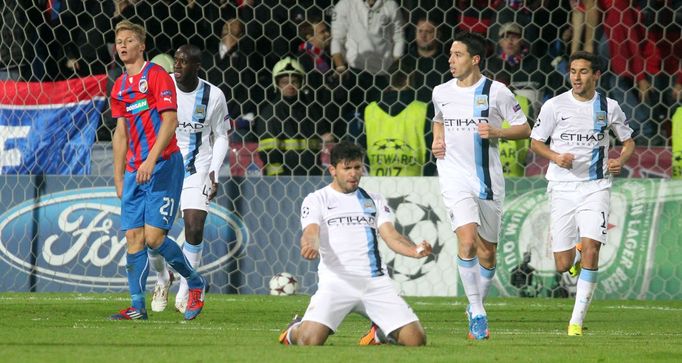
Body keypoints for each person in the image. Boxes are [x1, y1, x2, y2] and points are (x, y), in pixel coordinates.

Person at [278, 141, 432, 346]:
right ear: (333, 170)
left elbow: (391, 236)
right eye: (347, 168)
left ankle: (380, 333)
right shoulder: (317, 199)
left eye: (357, 167)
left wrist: (414, 251)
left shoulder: (374, 200)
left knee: (416, 340)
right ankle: (293, 330)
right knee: (309, 341)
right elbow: (311, 231)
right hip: (336, 283)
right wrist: (311, 244)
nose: (353, 173)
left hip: (375, 283)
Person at [431, 31, 531, 340]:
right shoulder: (440, 91)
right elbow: (439, 118)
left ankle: (477, 303)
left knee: (488, 253)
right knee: (468, 241)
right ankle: (477, 311)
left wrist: (498, 133)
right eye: (450, 54)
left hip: (488, 179)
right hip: (453, 175)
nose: (451, 60)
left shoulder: (497, 91)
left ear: (474, 59)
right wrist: (437, 137)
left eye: (457, 55)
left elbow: (525, 128)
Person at [529, 51, 634, 336]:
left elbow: (628, 142)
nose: (576, 77)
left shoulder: (609, 107)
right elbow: (535, 142)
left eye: (583, 71)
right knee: (563, 264)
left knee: (592, 248)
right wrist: (554, 156)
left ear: (596, 75)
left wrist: (619, 161)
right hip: (562, 188)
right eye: (573, 71)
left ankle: (575, 321)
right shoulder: (554, 105)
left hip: (595, 187)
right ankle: (574, 254)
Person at [109, 20, 206, 321]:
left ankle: (195, 281)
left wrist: (151, 161)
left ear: (141, 45)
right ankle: (137, 307)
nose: (122, 45)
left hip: (163, 165)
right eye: (119, 41)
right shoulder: (120, 87)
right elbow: (121, 133)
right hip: (135, 171)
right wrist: (118, 177)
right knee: (134, 239)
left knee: (153, 238)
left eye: (128, 40)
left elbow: (170, 121)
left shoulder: (157, 76)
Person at [148, 44, 230, 314]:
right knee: (153, 236)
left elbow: (221, 136)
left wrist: (214, 170)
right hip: (164, 167)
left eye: (185, 62)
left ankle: (186, 288)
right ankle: (162, 279)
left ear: (198, 66)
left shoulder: (213, 95)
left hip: (197, 168)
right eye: (177, 61)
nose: (178, 65)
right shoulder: (162, 87)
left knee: (195, 224)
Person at [254, 56, 328, 176]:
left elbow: (324, 137)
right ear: (277, 84)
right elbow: (269, 153)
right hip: (284, 179)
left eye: (294, 81)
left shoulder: (310, 110)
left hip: (312, 176)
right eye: (284, 82)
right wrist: (277, 181)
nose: (290, 86)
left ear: (301, 83)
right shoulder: (270, 113)